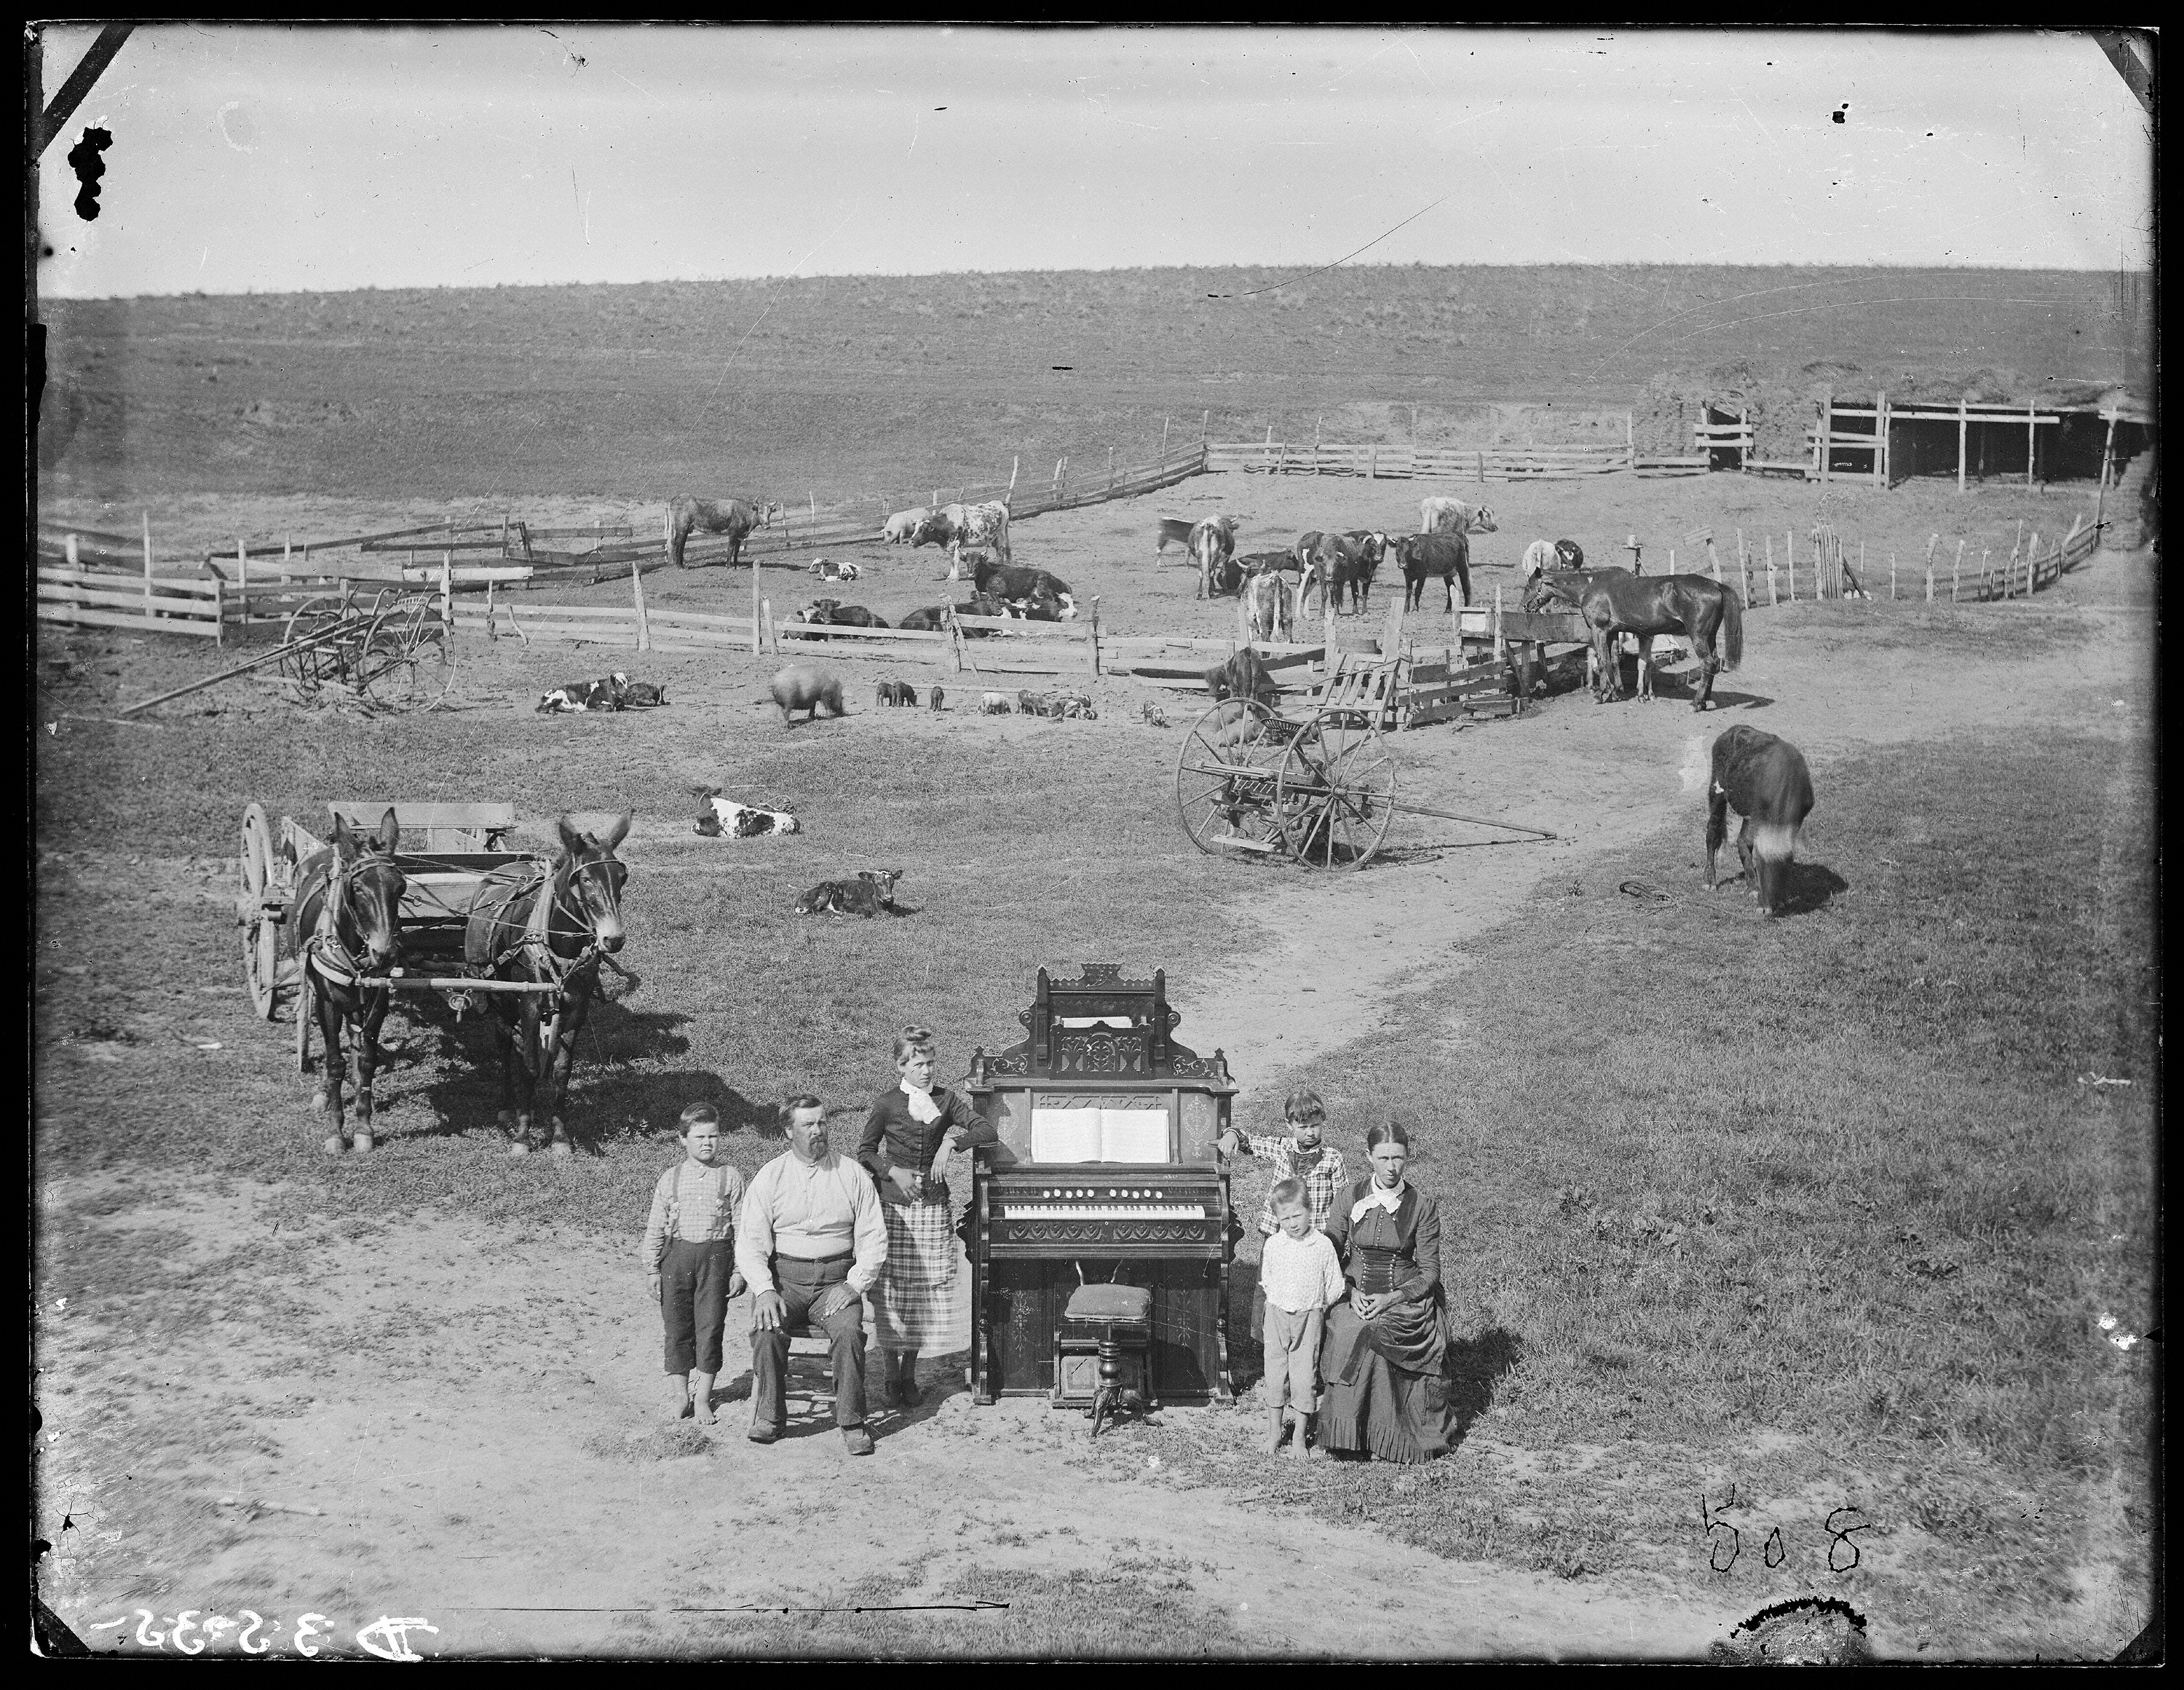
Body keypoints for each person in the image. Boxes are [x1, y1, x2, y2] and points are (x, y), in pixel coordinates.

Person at [735, 1096, 889, 1456]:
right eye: (808, 1125)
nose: (818, 1131)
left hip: (836, 1284)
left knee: (850, 1332)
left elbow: (873, 1237)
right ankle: (770, 1417)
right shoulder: (770, 1176)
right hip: (785, 1282)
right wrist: (763, 1289)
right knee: (765, 1328)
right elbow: (750, 1242)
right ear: (789, 1131)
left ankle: (851, 1422)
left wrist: (854, 1285)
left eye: (822, 1123)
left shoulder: (851, 1173)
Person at [855, 1026, 995, 1407]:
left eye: (931, 1063)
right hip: (893, 1211)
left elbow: (987, 1129)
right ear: (901, 1066)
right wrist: (892, 1171)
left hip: (932, 1210)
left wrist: (952, 1142)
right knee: (889, 1291)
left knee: (923, 1292)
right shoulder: (887, 1104)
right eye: (918, 1064)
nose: (927, 1071)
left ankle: (909, 1372)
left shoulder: (946, 1100)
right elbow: (865, 1151)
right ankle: (888, 1369)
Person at [1316, 1121, 1460, 1464]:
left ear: (1408, 1157)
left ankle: (1390, 1439)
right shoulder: (1349, 1197)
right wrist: (1349, 1292)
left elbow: (1429, 1271)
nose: (1391, 1167)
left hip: (1405, 1299)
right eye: (1383, 1158)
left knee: (1376, 1330)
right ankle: (1348, 1437)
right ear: (1369, 1157)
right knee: (1351, 1327)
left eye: (1398, 1158)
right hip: (1354, 1292)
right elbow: (1329, 1251)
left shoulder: (1422, 1206)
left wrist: (1391, 1299)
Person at [640, 1102, 748, 1424]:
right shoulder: (670, 1179)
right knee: (676, 1328)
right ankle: (681, 1396)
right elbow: (656, 1226)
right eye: (699, 1136)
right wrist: (651, 1269)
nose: (707, 1143)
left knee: (710, 1327)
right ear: (682, 1139)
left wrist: (740, 1271)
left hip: (716, 1261)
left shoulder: (731, 1177)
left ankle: (703, 1398)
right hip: (677, 1259)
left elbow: (743, 1228)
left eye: (714, 1136)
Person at [1216, 1089, 1348, 1346]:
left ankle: (1312, 1343)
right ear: (1290, 1125)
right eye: (1303, 1126)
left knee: (1309, 1291)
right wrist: (1232, 1135)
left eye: (1316, 1126)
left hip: (1314, 1236)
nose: (1311, 1132)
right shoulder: (1282, 1148)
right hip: (1278, 1235)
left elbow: (1344, 1202)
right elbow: (1247, 1141)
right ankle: (1272, 1342)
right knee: (1273, 1285)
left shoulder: (1333, 1159)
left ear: (1323, 1123)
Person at [1259, 1177, 1348, 1460]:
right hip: (1276, 1315)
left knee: (1303, 1376)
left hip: (1309, 1317)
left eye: (1297, 1215)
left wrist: (1315, 1306)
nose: (1293, 1223)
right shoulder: (1273, 1245)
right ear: (1277, 1219)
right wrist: (1279, 1304)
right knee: (1274, 1373)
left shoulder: (1321, 1246)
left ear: (1310, 1210)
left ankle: (1299, 1436)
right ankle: (1274, 1432)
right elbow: (1267, 1278)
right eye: (1285, 1218)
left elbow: (1335, 1285)